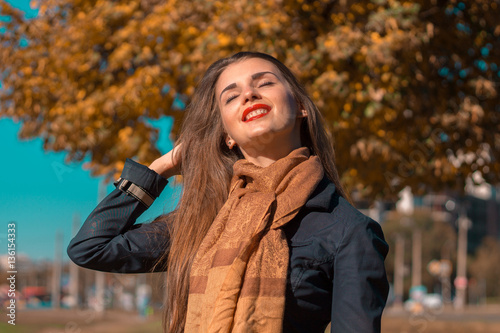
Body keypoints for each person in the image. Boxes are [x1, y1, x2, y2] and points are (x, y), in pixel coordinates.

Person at [68, 52, 389, 333]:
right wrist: (161, 167)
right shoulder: (203, 222)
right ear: (227, 136)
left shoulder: (348, 231)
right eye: (231, 96)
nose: (249, 94)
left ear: (302, 107)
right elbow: (91, 248)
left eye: (264, 83)